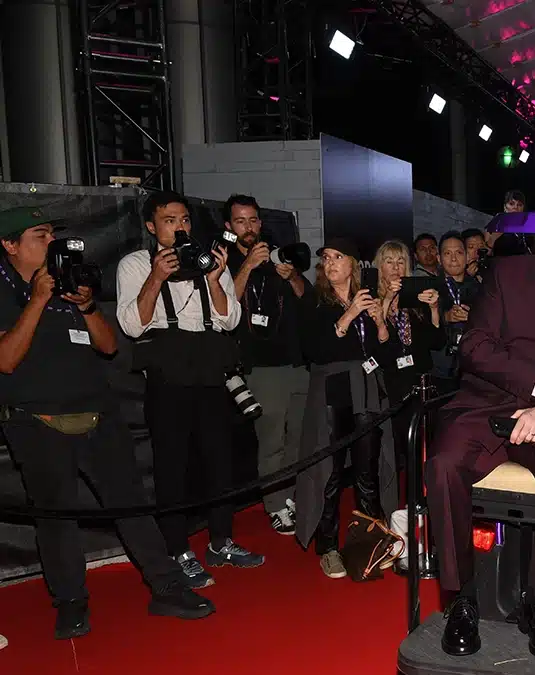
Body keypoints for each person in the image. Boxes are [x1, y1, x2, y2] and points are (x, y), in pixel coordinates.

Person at [0, 206, 214, 639]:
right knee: (57, 519)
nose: (51, 243)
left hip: (100, 416)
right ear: (10, 244)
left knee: (132, 505)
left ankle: (167, 587)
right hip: (37, 422)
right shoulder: (4, 290)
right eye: (40, 235)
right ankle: (71, 602)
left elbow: (110, 346)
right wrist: (39, 300)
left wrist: (88, 306)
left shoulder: (69, 277)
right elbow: (6, 361)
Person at [425, 179, 535, 660]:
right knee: (441, 464)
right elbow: (475, 348)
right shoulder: (505, 274)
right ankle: (461, 598)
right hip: (485, 404)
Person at [116, 191, 265, 589]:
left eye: (183, 219)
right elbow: (132, 326)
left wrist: (216, 279)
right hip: (168, 377)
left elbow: (229, 318)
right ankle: (178, 550)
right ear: (151, 226)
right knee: (172, 468)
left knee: (220, 461)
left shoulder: (208, 256)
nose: (179, 226)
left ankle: (221, 541)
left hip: (211, 372)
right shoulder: (134, 264)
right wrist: (156, 277)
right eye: (169, 220)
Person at [293, 238, 399, 579]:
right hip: (331, 393)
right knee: (331, 474)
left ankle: (374, 543)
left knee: (367, 472)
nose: (330, 263)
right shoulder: (314, 301)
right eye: (325, 258)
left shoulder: (369, 298)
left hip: (366, 390)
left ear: (353, 263)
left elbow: (387, 356)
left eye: (338, 257)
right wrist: (349, 314)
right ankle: (328, 548)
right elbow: (313, 351)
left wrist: (381, 323)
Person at [223, 194, 310, 536]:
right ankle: (274, 505)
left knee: (298, 438)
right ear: (229, 227)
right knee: (271, 441)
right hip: (259, 367)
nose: (249, 227)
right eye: (241, 221)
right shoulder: (223, 260)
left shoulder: (277, 257)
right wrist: (246, 265)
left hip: (295, 361)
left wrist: (291, 276)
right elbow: (224, 304)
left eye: (254, 220)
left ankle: (289, 496)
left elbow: (306, 299)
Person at [373, 239, 444, 408]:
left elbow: (437, 342)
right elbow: (375, 340)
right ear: (380, 267)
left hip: (419, 377)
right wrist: (388, 299)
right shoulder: (371, 297)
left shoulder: (415, 297)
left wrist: (434, 308)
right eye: (389, 262)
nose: (395, 267)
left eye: (400, 261)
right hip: (390, 381)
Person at [431, 231, 481, 384]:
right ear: (439, 259)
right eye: (447, 253)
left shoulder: (481, 289)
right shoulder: (428, 288)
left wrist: (473, 318)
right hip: (439, 370)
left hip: (474, 369)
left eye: (459, 253)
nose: (453, 259)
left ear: (467, 257)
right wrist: (445, 317)